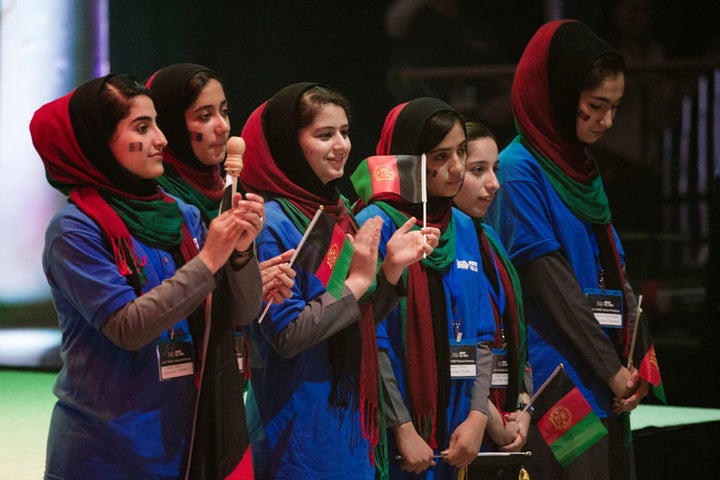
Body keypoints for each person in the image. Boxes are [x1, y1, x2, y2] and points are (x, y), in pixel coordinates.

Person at [30, 73, 264, 479]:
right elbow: (129, 328)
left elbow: (242, 312)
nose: (162, 139)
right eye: (142, 127)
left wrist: (242, 253)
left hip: (185, 444)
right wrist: (210, 258)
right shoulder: (75, 230)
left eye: (157, 123)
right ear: (99, 142)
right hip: (105, 453)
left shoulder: (182, 214)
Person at [238, 82, 439, 479]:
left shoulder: (338, 210)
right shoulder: (270, 222)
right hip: (299, 423)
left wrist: (390, 271)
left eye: (344, 132)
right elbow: (288, 335)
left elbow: (357, 316)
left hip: (351, 419)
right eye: (324, 135)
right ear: (289, 144)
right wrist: (361, 282)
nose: (342, 145)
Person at [484, 20, 655, 479]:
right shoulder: (520, 170)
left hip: (606, 379)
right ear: (559, 95)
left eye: (615, 108)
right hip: (559, 383)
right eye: (596, 107)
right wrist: (612, 370)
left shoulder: (580, 167)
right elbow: (551, 285)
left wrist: (635, 364)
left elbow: (615, 273)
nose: (607, 121)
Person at [146, 62, 293, 479]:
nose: (222, 127)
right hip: (163, 389)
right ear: (173, 123)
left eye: (224, 112)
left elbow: (244, 311)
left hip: (226, 376)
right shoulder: (157, 202)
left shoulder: (235, 195)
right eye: (204, 115)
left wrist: (247, 262)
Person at [351, 97, 496, 479]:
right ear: (409, 159)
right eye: (440, 156)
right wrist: (402, 427)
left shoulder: (463, 227)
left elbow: (481, 334)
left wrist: (478, 416)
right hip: (397, 439)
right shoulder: (374, 224)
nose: (457, 168)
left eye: (462, 151)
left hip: (458, 433)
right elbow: (370, 338)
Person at [451, 121, 532, 479]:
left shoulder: (491, 241)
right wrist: (491, 420)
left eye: (495, 169)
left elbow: (517, 337)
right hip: (464, 426)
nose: (494, 183)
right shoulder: (438, 245)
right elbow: (455, 349)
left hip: (504, 417)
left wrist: (524, 406)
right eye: (478, 170)